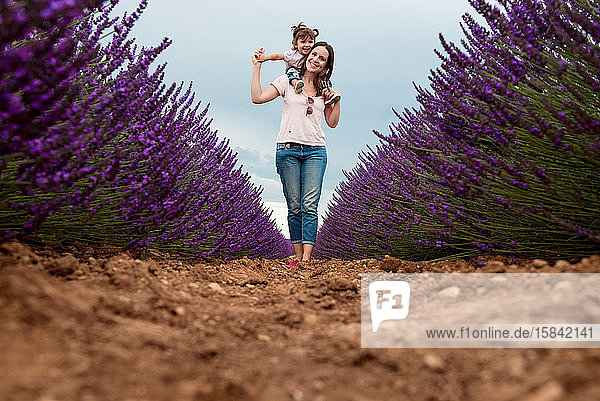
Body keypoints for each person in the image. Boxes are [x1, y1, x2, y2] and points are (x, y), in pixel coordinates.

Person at [251, 42, 341, 266]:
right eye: (314, 54)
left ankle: (306, 260)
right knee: (294, 205)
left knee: (310, 204)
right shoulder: (287, 81)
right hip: (288, 149)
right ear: (306, 55)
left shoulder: (325, 90)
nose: (316, 59)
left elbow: (332, 123)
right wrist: (257, 66)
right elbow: (257, 98)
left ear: (325, 66)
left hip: (316, 151)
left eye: (322, 58)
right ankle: (297, 257)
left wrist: (337, 100)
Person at [258, 23, 340, 105]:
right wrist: (265, 58)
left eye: (310, 42)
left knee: (325, 79)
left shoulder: (309, 54)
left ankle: (329, 95)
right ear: (295, 44)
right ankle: (296, 83)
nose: (307, 45)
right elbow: (278, 56)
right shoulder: (292, 54)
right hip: (293, 71)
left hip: (303, 72)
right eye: (303, 42)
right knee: (292, 71)